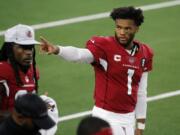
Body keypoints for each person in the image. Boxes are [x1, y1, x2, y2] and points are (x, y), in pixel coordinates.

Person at [40, 6, 154, 135]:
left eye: (127, 28)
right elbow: (80, 55)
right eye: (118, 27)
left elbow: (141, 91)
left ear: (136, 29)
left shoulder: (145, 53)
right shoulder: (105, 46)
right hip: (105, 118)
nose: (122, 32)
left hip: (129, 120)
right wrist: (57, 49)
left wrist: (140, 125)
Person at [0, 24, 40, 122]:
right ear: (9, 49)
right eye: (23, 47)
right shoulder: (2, 72)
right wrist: (26, 113)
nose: (29, 52)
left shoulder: (33, 71)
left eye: (30, 47)